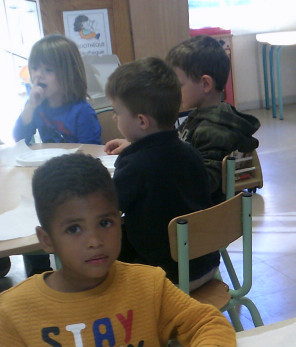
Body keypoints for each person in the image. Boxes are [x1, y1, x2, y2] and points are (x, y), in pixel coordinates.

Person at [0, 153, 237, 347]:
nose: (94, 241)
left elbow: (208, 323)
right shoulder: (14, 310)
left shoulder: (148, 285)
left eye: (105, 223)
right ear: (47, 239)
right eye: (74, 229)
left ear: (119, 221)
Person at [104, 57, 220, 287]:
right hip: (207, 266)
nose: (114, 117)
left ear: (142, 121)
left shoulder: (134, 166)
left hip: (166, 278)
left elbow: (106, 208)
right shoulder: (191, 153)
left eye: (116, 111)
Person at [105, 35, 260, 204]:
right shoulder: (201, 116)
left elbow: (205, 182)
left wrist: (154, 165)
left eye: (178, 85)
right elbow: (172, 145)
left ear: (206, 84)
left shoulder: (214, 129)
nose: (172, 91)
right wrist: (139, 145)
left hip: (202, 213)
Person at [13, 34, 102, 277]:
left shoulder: (81, 111)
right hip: (49, 176)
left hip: (76, 182)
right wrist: (30, 106)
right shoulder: (39, 106)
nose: (39, 76)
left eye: (48, 70)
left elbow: (93, 154)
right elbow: (19, 137)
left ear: (67, 74)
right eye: (35, 68)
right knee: (31, 215)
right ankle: (37, 272)